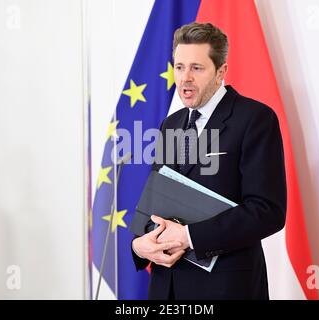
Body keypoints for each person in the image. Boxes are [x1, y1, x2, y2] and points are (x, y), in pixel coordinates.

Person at [131, 22, 287, 300]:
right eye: (179, 67)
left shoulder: (255, 119)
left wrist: (189, 236)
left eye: (196, 68)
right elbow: (155, 204)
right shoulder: (172, 124)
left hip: (226, 288)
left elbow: (267, 211)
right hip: (166, 289)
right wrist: (139, 246)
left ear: (221, 71)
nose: (185, 78)